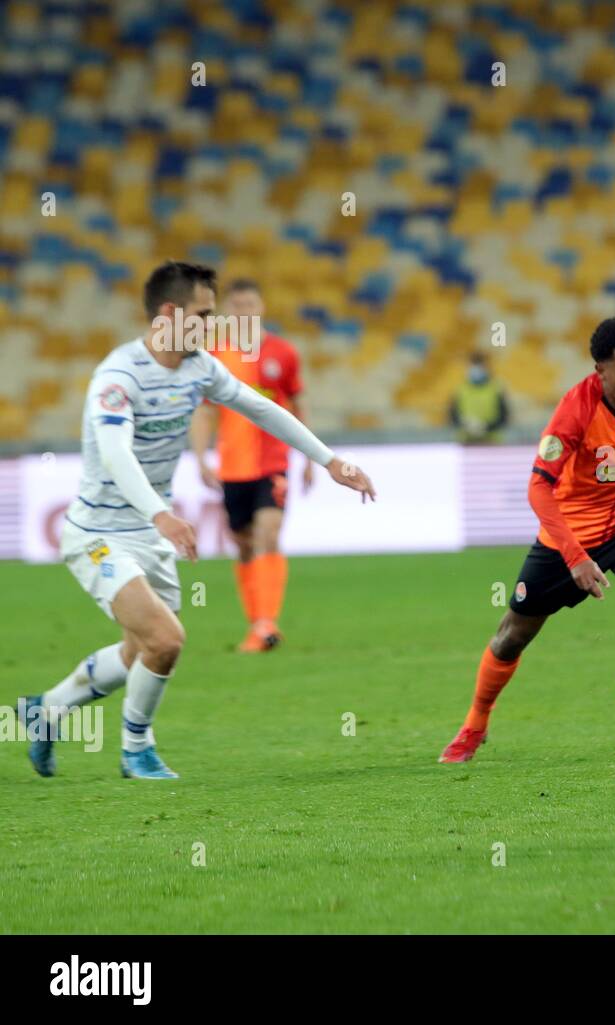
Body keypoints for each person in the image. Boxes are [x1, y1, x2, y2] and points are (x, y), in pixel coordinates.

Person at [21, 262, 375, 780]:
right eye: (206, 314)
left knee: (141, 648)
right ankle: (136, 749)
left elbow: (262, 408)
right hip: (100, 533)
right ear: (170, 313)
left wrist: (330, 461)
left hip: (148, 532)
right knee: (166, 640)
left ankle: (46, 711)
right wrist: (162, 513)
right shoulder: (118, 377)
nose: (215, 325)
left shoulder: (199, 367)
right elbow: (117, 456)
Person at [438, 316, 615, 763]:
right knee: (511, 637)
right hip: (567, 535)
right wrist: (575, 556)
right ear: (599, 372)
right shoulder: (576, 411)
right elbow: (538, 486)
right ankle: (475, 723)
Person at [191, 279, 311, 652]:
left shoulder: (283, 353)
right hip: (232, 467)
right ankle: (257, 622)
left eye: (251, 304)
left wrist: (308, 457)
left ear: (262, 309)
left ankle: (265, 624)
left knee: (269, 535)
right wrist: (199, 457)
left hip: (273, 462)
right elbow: (205, 411)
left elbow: (296, 406)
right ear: (229, 312)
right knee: (243, 546)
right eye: (237, 305)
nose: (244, 311)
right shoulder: (215, 355)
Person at [448, 352, 509, 444]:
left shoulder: (495, 389)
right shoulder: (461, 390)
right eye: (473, 366)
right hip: (466, 441)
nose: (476, 370)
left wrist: (485, 427)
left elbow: (503, 417)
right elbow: (453, 416)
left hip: (491, 441)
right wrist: (467, 425)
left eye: (479, 366)